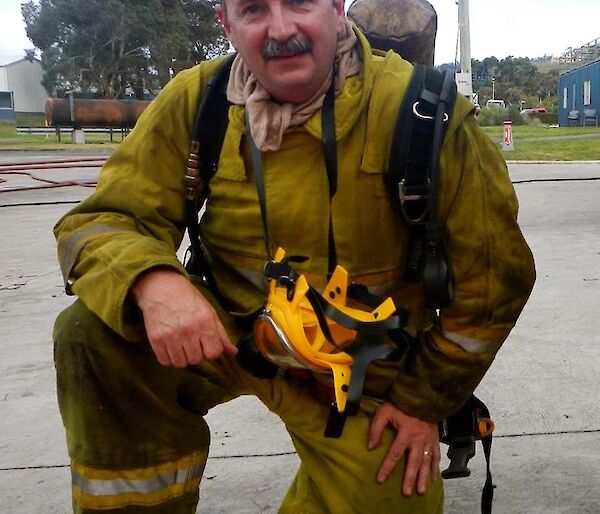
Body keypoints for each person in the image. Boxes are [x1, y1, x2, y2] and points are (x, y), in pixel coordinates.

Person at [52, 0, 536, 512]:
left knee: (385, 496)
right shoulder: (199, 100)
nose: (281, 29)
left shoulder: (424, 112)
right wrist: (150, 281)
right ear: (228, 25)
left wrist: (421, 403)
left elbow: (494, 285)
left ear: (334, 9)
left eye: (299, 3)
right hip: (228, 336)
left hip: (361, 369)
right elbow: (101, 220)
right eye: (255, 9)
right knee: (94, 333)